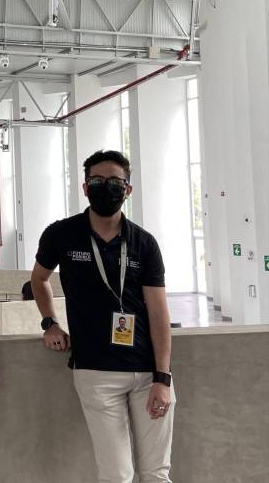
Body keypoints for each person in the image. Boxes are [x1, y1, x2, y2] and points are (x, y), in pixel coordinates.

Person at [31, 150, 175, 483]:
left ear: (128, 190)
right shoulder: (62, 234)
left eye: (114, 181)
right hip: (96, 373)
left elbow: (158, 313)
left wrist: (162, 378)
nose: (105, 187)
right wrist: (50, 322)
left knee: (156, 473)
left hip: (147, 372)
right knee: (116, 475)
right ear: (85, 188)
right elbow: (38, 279)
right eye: (97, 181)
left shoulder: (144, 243)